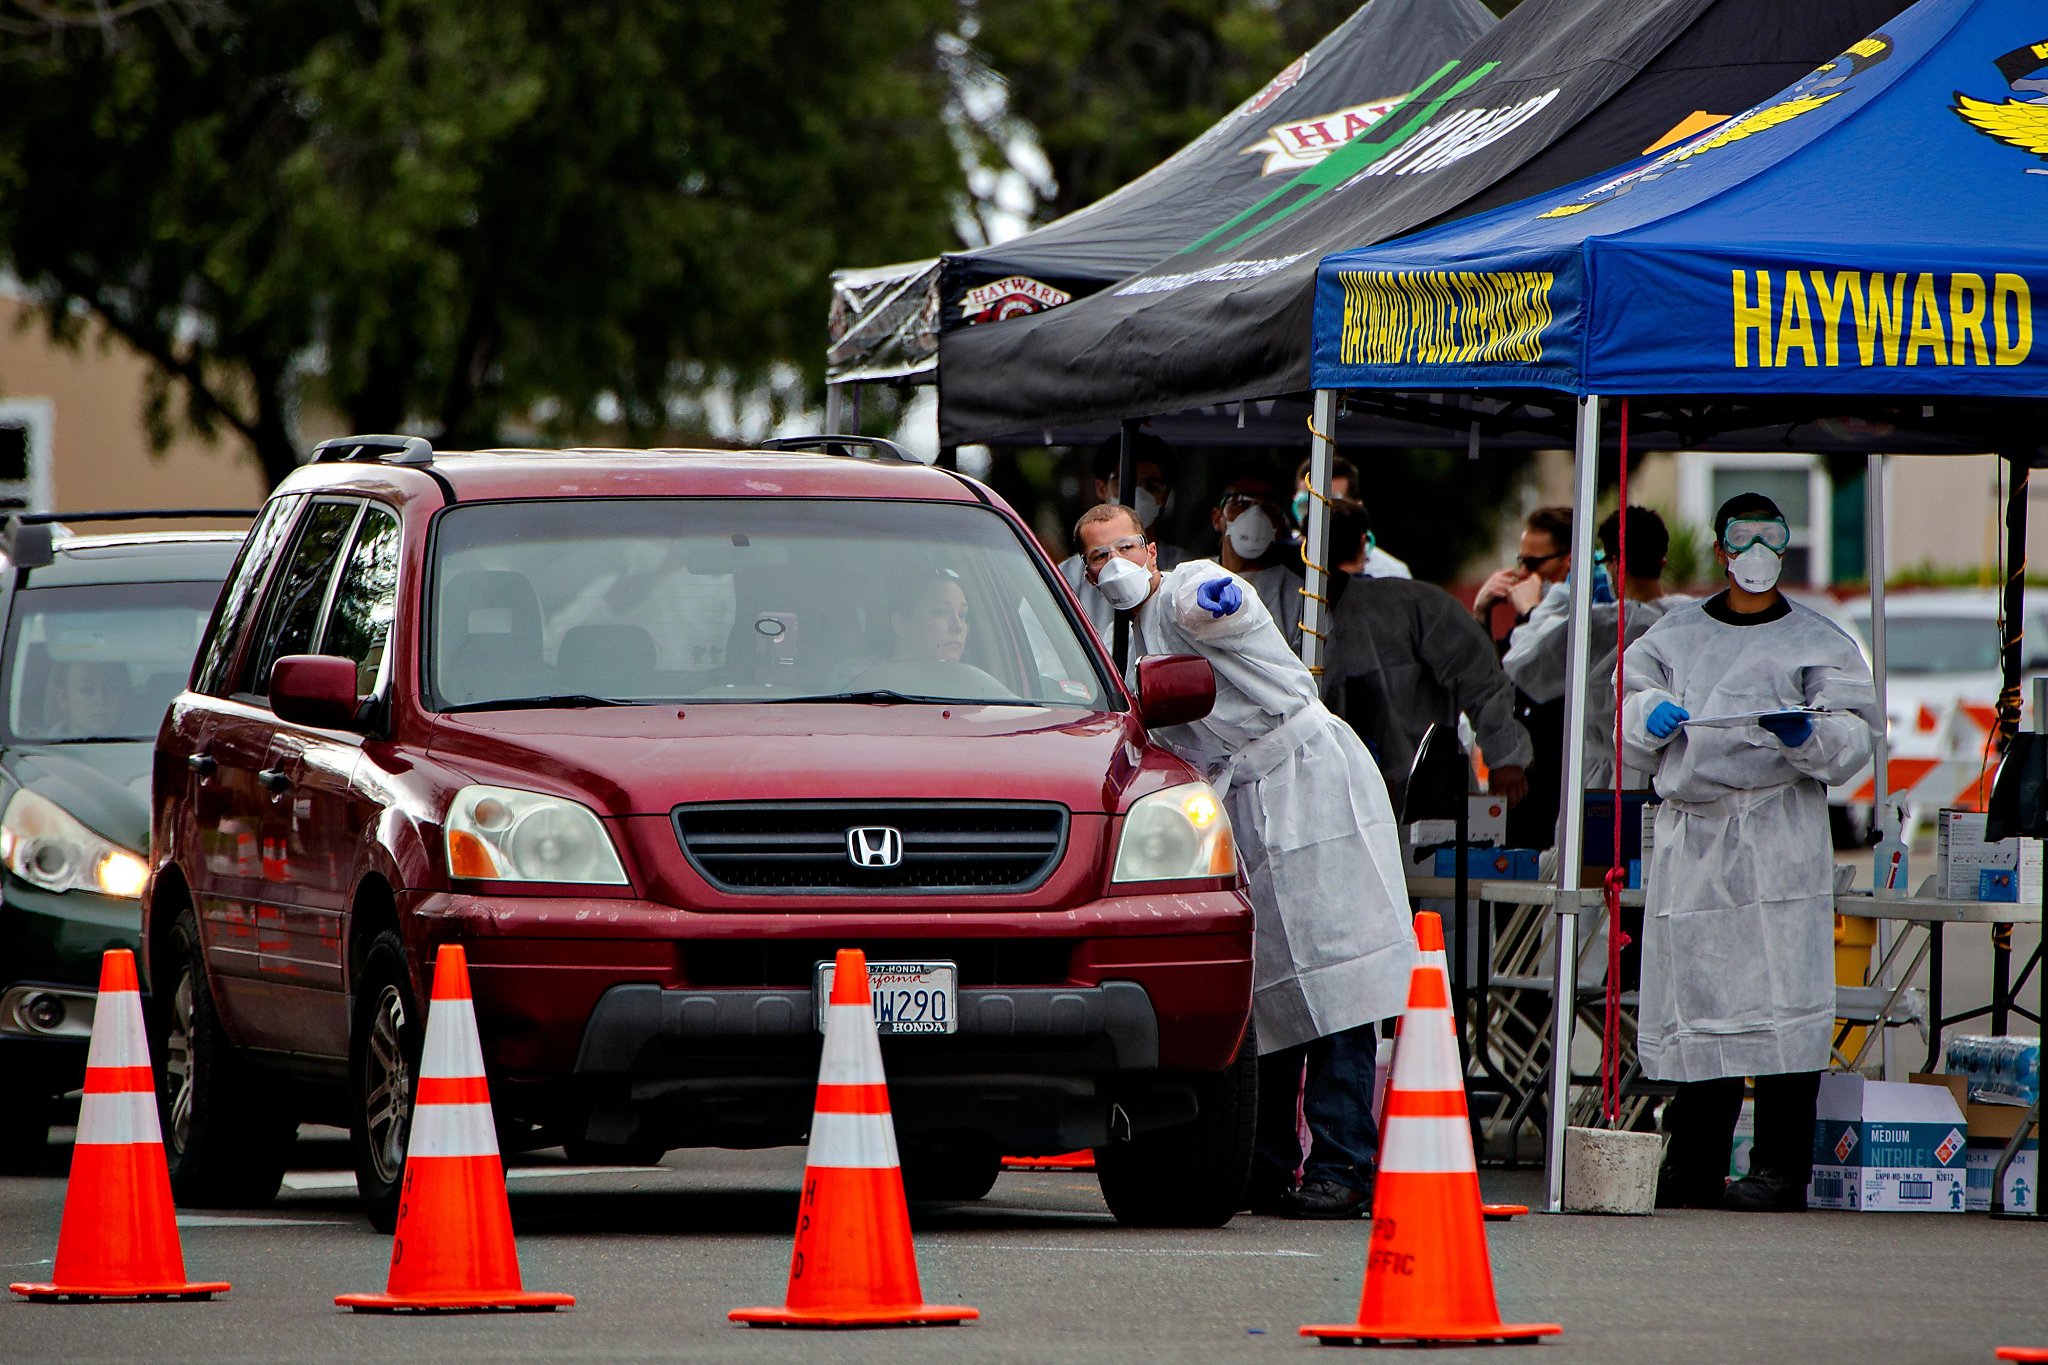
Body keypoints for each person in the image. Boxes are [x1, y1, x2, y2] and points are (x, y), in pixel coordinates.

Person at [1076, 502, 1415, 1219]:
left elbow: (1216, 603)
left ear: (1152, 550)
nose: (1114, 566)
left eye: (1124, 548)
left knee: (1336, 980)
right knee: (1269, 989)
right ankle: (1268, 1164)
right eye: (1098, 556)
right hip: (1244, 801)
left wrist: (1218, 596)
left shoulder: (1185, 590)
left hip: (1308, 784)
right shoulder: (1119, 643)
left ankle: (1344, 1165)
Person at [1620, 492, 1878, 1213]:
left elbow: (1855, 734)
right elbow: (1628, 699)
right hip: (1697, 839)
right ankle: (1694, 1162)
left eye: (1772, 536)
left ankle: (1780, 1169)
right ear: (1720, 548)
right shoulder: (1675, 635)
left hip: (1778, 835)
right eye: (1744, 537)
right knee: (1700, 995)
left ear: (1787, 546)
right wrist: (1649, 714)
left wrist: (1809, 734)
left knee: (1783, 1000)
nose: (1758, 551)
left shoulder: (1818, 640)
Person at [1318, 500, 1529, 813]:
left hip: (1422, 792)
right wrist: (1504, 756)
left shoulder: (1411, 606)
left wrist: (1504, 756)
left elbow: (1479, 680)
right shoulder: (1288, 611)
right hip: (1336, 791)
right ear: (1363, 544)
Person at [1473, 506, 1573, 851]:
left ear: (1568, 560)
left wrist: (1533, 612)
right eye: (1521, 562)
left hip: (1562, 780)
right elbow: (1491, 680)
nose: (1523, 574)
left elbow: (1551, 664)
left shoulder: (1582, 613)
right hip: (1522, 783)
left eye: (1534, 563)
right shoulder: (1529, 620)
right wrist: (1482, 613)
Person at [1057, 433, 1186, 641]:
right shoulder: (1065, 578)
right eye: (1124, 482)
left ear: (1152, 553)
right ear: (1101, 488)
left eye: (1151, 486)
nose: (1137, 494)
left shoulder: (1185, 569)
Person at [1210, 469, 1304, 647]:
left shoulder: (1301, 599)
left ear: (1279, 525)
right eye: (1241, 502)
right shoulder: (1191, 580)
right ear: (1217, 518)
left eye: (1268, 505)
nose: (1255, 514)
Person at [1293, 456, 1410, 579]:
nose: (1315, 517)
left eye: (1331, 506)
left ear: (1357, 508)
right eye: (1306, 505)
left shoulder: (1392, 573)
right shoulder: (1282, 562)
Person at [44, 659, 131, 738]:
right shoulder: (43, 749)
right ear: (64, 698)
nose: (101, 700)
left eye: (113, 688)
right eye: (87, 689)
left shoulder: (135, 747)